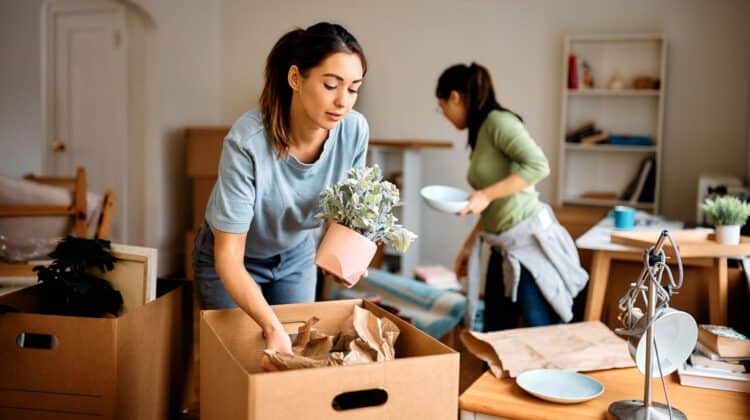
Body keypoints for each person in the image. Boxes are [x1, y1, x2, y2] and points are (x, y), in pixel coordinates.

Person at [192, 22, 369, 357]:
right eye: (331, 85)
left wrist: (349, 255)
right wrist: (271, 326)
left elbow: (346, 210)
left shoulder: (354, 130)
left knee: (295, 358)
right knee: (238, 364)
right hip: (232, 259)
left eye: (353, 88)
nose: (342, 102)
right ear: (295, 79)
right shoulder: (248, 142)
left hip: (295, 254)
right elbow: (228, 257)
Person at [435, 62, 588, 332]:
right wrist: (469, 246)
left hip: (528, 245)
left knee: (538, 332)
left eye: (442, 106)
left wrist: (484, 194)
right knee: (495, 334)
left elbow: (539, 165)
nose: (443, 113)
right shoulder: (481, 133)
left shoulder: (499, 122)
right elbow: (492, 203)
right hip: (501, 246)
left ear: (455, 97)